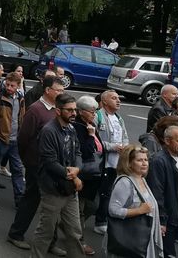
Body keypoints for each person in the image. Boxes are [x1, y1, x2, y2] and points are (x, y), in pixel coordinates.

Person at [7, 75, 65, 252]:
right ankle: (15, 234)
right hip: (37, 165)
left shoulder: (57, 109)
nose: (62, 93)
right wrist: (29, 161)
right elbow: (23, 139)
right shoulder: (36, 110)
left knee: (54, 205)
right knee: (31, 200)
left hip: (53, 164)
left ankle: (50, 242)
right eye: (58, 90)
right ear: (48, 90)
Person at [30, 93, 84, 258]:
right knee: (46, 231)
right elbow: (49, 162)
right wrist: (73, 175)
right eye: (69, 110)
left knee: (74, 231)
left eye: (75, 110)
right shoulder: (48, 131)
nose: (74, 113)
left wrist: (77, 169)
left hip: (69, 190)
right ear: (58, 111)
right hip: (53, 189)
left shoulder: (71, 129)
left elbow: (78, 152)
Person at [105, 145, 163, 258]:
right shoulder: (125, 182)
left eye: (146, 159)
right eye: (139, 160)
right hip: (129, 240)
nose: (144, 163)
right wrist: (140, 210)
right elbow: (113, 210)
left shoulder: (141, 179)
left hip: (142, 236)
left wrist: (156, 224)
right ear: (129, 163)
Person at [146, 125, 178, 258]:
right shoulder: (159, 161)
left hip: (176, 213)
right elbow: (157, 193)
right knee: (168, 253)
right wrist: (162, 221)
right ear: (167, 141)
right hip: (167, 217)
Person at [94, 90, 129, 236]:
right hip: (102, 162)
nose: (118, 101)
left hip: (116, 163)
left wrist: (125, 147)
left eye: (118, 98)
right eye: (114, 98)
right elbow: (94, 140)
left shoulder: (119, 118)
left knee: (109, 192)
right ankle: (99, 222)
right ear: (104, 101)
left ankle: (103, 219)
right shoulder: (98, 116)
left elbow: (125, 136)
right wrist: (112, 147)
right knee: (101, 192)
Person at [0, 71, 26, 207]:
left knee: (17, 169)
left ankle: (19, 197)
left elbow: (22, 116)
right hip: (2, 139)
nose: (9, 88)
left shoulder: (20, 98)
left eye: (12, 85)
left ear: (18, 86)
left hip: (16, 139)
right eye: (7, 85)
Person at [73, 96, 103, 256]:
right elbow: (85, 151)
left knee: (93, 205)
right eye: (92, 111)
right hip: (83, 174)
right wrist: (91, 136)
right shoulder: (78, 127)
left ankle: (69, 227)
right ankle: (79, 240)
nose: (94, 114)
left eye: (95, 111)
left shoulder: (91, 124)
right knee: (80, 210)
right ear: (81, 112)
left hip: (94, 174)